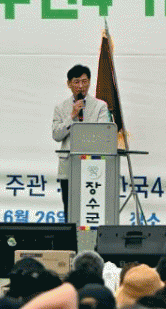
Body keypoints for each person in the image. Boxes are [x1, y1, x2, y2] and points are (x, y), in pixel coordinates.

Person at [52, 64, 110, 219]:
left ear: (89, 82)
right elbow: (56, 135)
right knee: (70, 210)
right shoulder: (61, 108)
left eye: (84, 81)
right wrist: (71, 116)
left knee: (92, 208)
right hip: (69, 167)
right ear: (69, 84)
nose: (81, 86)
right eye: (76, 82)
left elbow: (103, 134)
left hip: (93, 166)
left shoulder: (100, 106)